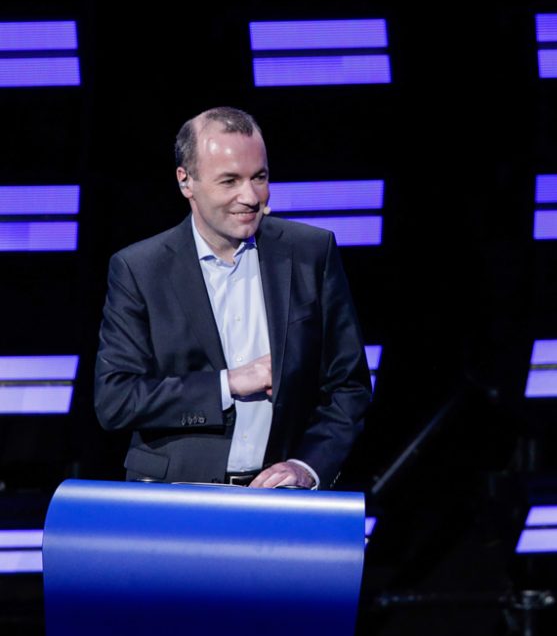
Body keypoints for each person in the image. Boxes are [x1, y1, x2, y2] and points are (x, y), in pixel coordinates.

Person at [95, 106, 370, 489]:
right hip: (174, 500)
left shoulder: (311, 252)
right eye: (230, 181)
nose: (251, 196)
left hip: (279, 503)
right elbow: (116, 399)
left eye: (259, 177)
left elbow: (349, 386)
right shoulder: (140, 269)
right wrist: (229, 384)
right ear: (186, 181)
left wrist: (307, 466)